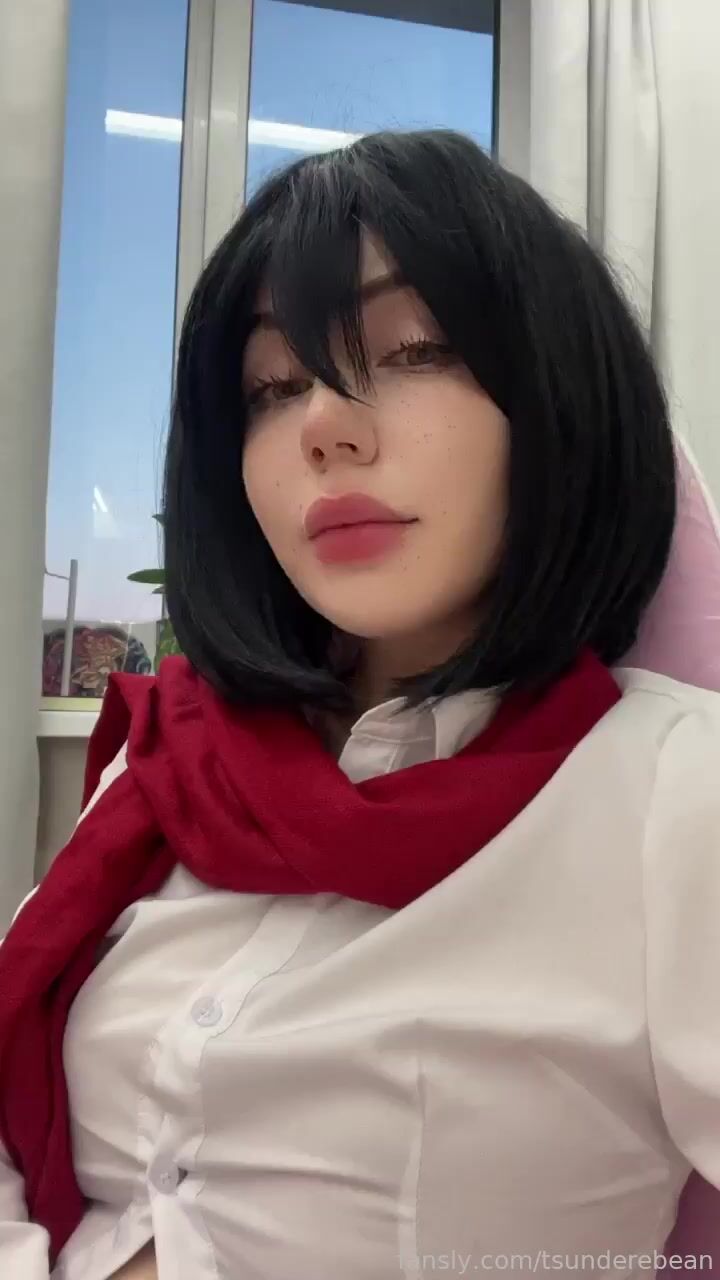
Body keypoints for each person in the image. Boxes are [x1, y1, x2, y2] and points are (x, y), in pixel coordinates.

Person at [1, 128, 719, 1280]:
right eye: (272, 386)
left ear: (559, 400)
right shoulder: (172, 760)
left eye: (416, 348)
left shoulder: (674, 790)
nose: (322, 424)